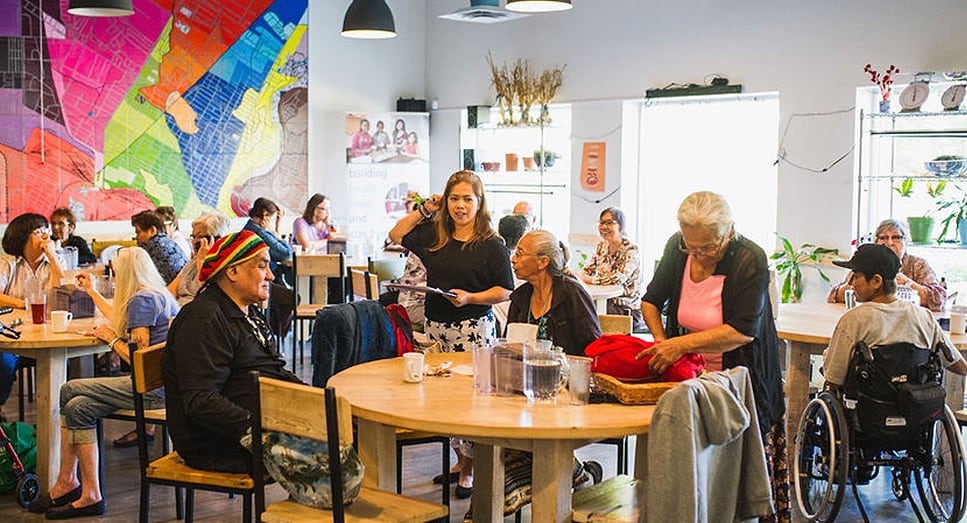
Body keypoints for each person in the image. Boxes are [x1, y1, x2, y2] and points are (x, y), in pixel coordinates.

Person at [637, 191, 788, 522]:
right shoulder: (678, 249)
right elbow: (650, 300)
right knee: (693, 473)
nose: (699, 255)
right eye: (692, 247)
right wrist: (663, 340)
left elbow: (742, 331)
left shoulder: (750, 258)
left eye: (708, 247)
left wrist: (681, 346)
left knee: (736, 480)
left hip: (742, 380)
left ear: (729, 231)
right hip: (691, 382)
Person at [388, 169, 514, 499]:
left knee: (472, 399)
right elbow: (397, 232)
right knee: (443, 400)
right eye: (455, 199)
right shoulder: (435, 233)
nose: (460, 206)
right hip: (435, 327)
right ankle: (461, 462)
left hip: (473, 328)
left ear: (479, 202)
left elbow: (505, 291)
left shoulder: (491, 243)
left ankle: (471, 470)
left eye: (467, 199)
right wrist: (426, 209)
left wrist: (471, 298)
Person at [27, 247, 179, 518]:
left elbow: (138, 360)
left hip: (153, 391)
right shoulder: (156, 294)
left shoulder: (140, 301)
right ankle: (88, 493)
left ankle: (67, 481)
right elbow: (125, 324)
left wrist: (110, 339)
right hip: (167, 387)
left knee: (69, 388)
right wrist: (94, 292)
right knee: (78, 406)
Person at [164, 231, 301, 473]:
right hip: (221, 442)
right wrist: (263, 425)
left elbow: (272, 370)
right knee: (337, 461)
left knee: (352, 435)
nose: (270, 275)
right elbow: (200, 401)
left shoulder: (248, 312)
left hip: (259, 424)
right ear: (233, 271)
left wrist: (311, 403)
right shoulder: (203, 318)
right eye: (262, 266)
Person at [822, 243, 966, 388]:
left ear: (876, 281)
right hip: (917, 406)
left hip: (868, 408)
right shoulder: (924, 317)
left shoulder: (854, 320)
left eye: (856, 276)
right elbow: (960, 367)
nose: (851, 283)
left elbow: (834, 379)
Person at [0, 213, 66, 421]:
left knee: (62, 363)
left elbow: (66, 290)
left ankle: (56, 420)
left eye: (45, 229)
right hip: (16, 336)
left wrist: (53, 257)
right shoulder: (9, 263)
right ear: (23, 237)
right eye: (38, 232)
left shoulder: (56, 260)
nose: (46, 235)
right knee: (3, 362)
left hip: (51, 335)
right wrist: (23, 304)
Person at [508, 230, 601, 355]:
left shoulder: (573, 293)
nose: (513, 259)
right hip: (525, 372)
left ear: (543, 262)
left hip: (568, 372)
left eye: (519, 254)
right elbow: (507, 347)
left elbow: (593, 347)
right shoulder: (520, 296)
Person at [828, 219, 946, 312]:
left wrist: (908, 283)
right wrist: (858, 285)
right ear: (876, 242)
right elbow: (834, 296)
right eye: (883, 238)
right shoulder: (866, 263)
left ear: (906, 241)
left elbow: (939, 299)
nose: (889, 243)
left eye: (896, 237)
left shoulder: (918, 265)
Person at [580, 207, 645, 331]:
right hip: (604, 302)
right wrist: (578, 276)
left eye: (609, 223)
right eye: (601, 223)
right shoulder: (602, 246)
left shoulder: (632, 249)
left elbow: (617, 278)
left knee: (590, 321)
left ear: (621, 226)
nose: (604, 227)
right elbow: (587, 270)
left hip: (626, 309)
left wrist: (589, 280)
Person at [167, 212, 232, 306]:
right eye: (193, 236)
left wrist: (202, 261)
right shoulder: (193, 261)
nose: (193, 242)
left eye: (199, 237)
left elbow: (207, 297)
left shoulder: (224, 266)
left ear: (216, 239)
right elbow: (170, 292)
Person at [243, 197, 293, 282]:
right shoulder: (261, 233)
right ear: (265, 215)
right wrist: (274, 233)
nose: (272, 222)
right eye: (273, 219)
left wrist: (277, 227)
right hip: (267, 277)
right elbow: (287, 254)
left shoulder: (249, 227)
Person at [131, 210, 187, 285]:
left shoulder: (152, 246)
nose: (137, 237)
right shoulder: (167, 241)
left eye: (138, 232)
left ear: (152, 230)